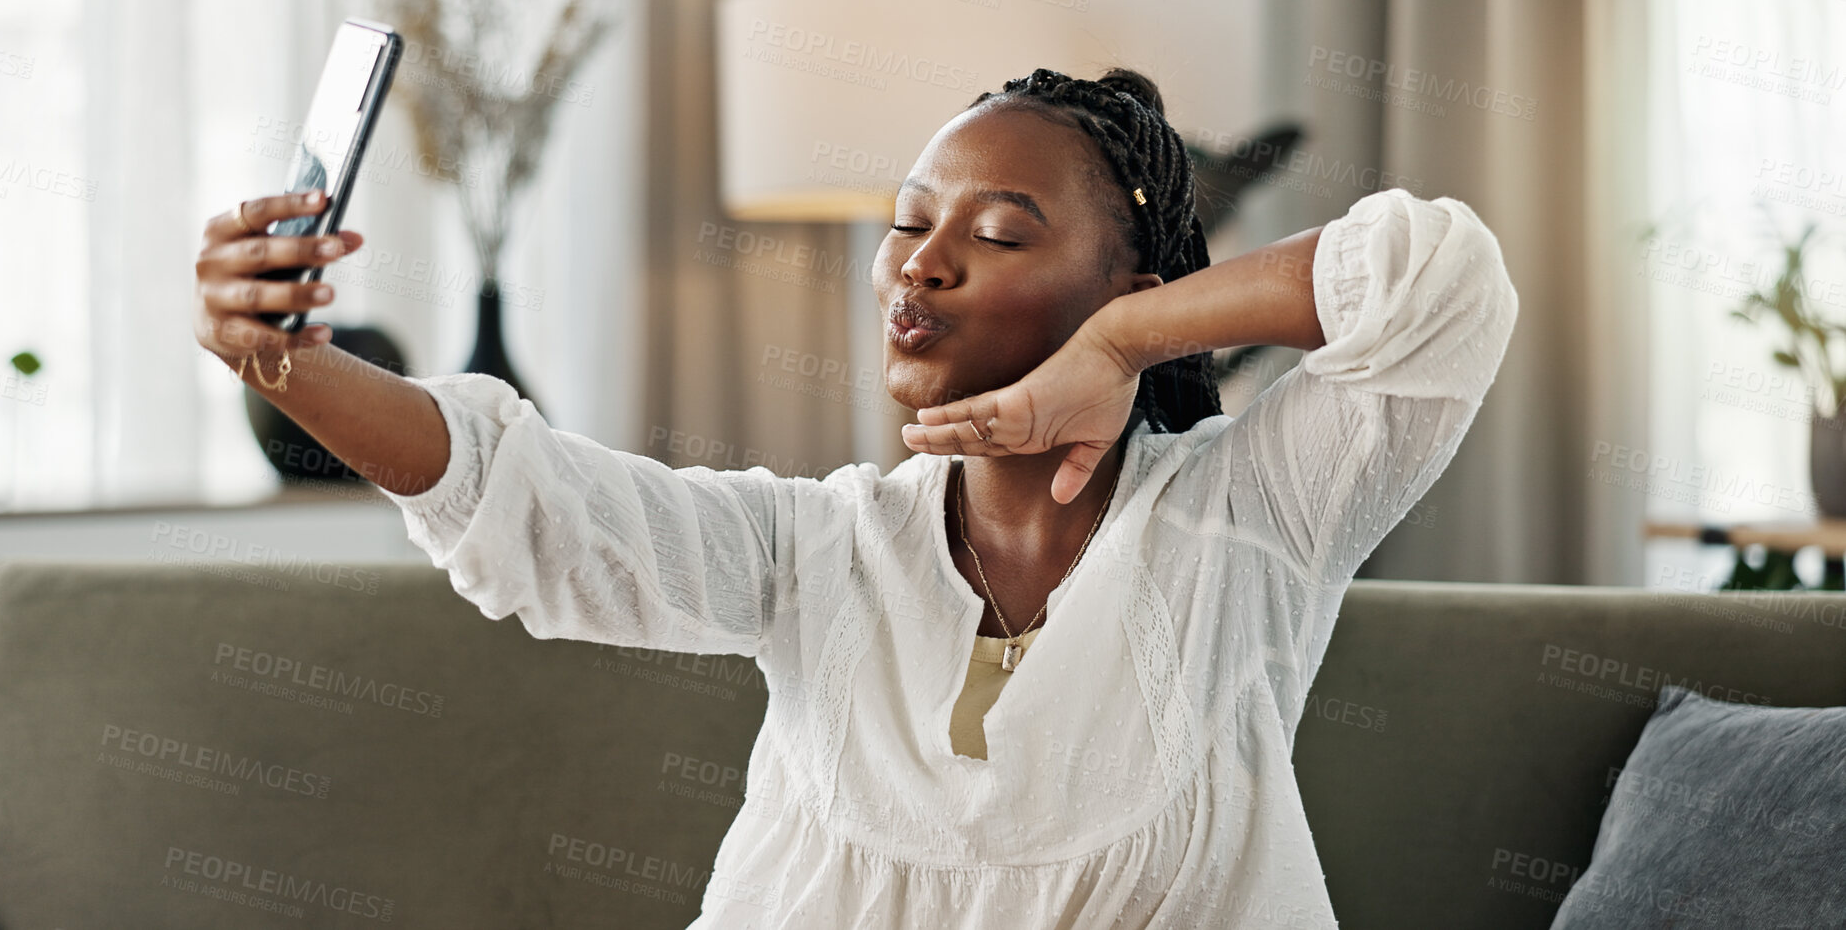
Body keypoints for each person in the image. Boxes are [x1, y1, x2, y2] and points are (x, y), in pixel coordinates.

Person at [192, 66, 1518, 928]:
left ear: (1134, 291)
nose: (918, 265)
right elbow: (534, 508)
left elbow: (1437, 280)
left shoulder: (1252, 516)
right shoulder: (821, 547)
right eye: (906, 220)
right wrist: (283, 363)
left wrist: (1120, 349)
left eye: (998, 235)